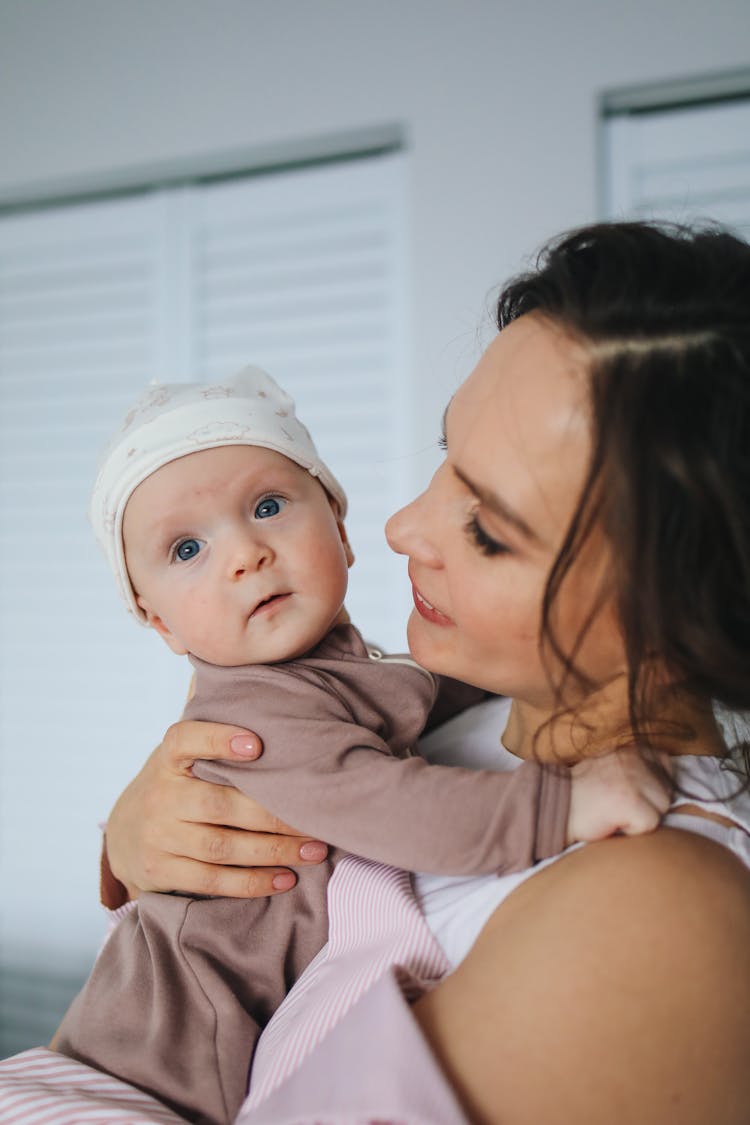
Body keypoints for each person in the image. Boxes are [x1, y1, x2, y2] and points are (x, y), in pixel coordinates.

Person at [97, 221, 750, 1124]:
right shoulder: (462, 711)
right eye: (448, 459)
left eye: (488, 527)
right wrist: (137, 838)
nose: (403, 525)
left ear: (684, 606)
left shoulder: (654, 915)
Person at [52, 368, 662, 1125]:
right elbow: (395, 806)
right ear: (162, 625)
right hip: (142, 1074)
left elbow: (420, 693)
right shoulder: (258, 714)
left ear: (339, 526)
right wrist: (563, 804)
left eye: (268, 506)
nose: (244, 553)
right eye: (186, 549)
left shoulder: (344, 668)